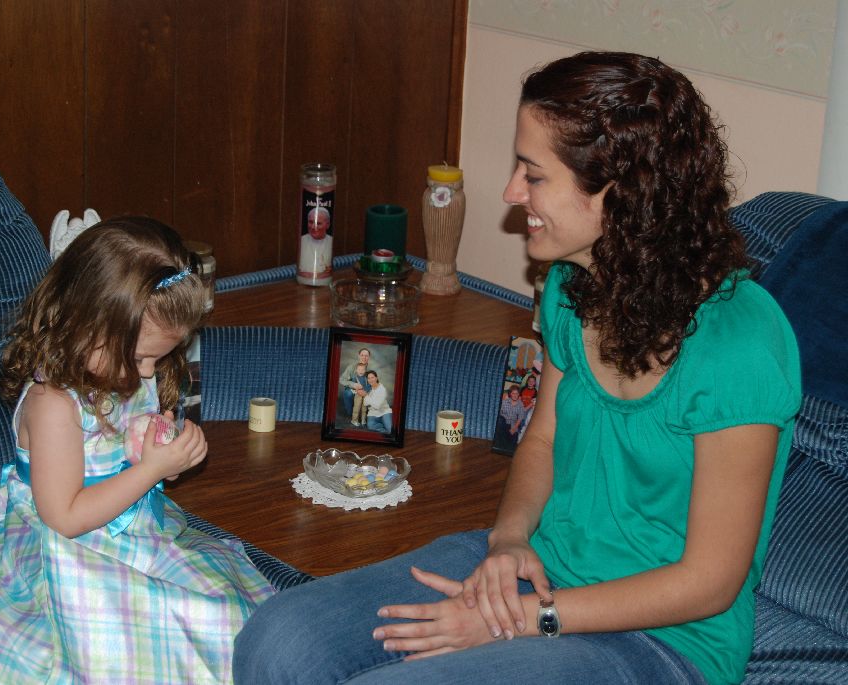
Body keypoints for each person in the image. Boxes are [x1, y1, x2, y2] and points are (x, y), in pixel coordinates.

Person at [233, 51, 801, 685]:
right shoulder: (570, 288)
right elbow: (544, 440)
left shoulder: (739, 342)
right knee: (278, 640)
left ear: (621, 192)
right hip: (540, 567)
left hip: (664, 640)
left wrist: (523, 620)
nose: (511, 192)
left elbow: (710, 582)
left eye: (534, 174)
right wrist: (508, 541)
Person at [0, 217, 275, 684]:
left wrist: (167, 456)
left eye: (159, 358)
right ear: (85, 323)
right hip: (65, 554)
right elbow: (65, 518)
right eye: (139, 358)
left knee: (229, 614)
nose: (148, 373)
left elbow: (134, 458)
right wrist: (151, 471)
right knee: (141, 638)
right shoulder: (54, 405)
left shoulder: (124, 371)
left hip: (134, 533)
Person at [297, 206, 333, 281]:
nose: (313, 227)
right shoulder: (301, 241)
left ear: (328, 225)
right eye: (310, 222)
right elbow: (300, 272)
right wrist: (320, 275)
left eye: (318, 223)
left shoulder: (331, 242)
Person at [493, 384, 527, 452]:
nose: (515, 395)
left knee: (513, 441)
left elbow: (520, 417)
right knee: (500, 422)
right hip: (503, 423)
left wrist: (514, 428)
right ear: (510, 394)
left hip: (513, 424)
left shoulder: (520, 404)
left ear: (519, 394)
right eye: (513, 393)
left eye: (516, 393)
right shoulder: (504, 402)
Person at [340, 347, 372, 417]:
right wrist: (353, 384)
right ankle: (351, 413)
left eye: (366, 356)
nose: (364, 357)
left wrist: (366, 391)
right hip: (353, 390)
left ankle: (364, 412)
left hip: (365, 391)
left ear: (369, 357)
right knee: (348, 393)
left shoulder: (371, 370)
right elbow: (342, 379)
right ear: (358, 356)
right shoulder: (351, 367)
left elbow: (373, 384)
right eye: (362, 355)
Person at [350, 361, 370, 425]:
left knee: (364, 408)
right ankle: (354, 420)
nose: (361, 371)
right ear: (356, 370)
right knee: (357, 407)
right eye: (359, 369)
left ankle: (363, 419)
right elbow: (352, 386)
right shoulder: (354, 378)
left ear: (365, 371)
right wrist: (356, 389)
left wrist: (366, 391)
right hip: (358, 394)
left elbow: (369, 385)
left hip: (365, 394)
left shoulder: (366, 378)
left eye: (362, 370)